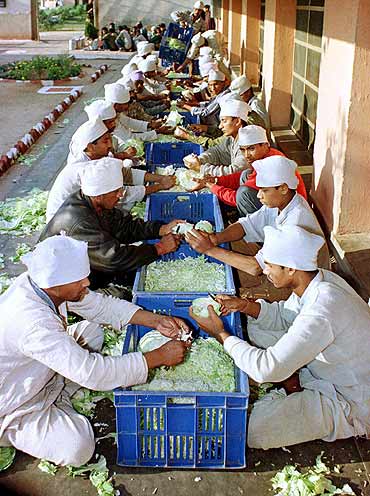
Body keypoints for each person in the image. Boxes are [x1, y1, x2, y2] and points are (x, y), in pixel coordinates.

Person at [0, 234, 190, 466]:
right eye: (79, 280)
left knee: (92, 332)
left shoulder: (41, 284)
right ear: (55, 285)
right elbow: (93, 372)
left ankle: (58, 393)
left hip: (35, 369)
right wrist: (158, 357)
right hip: (15, 402)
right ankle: (19, 426)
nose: (86, 283)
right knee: (78, 448)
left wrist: (156, 321)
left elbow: (100, 307)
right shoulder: (32, 322)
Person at [190, 224, 370, 449]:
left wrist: (221, 334)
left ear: (291, 269)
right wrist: (245, 306)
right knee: (255, 330)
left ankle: (291, 387)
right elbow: (285, 316)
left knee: (253, 431)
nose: (265, 271)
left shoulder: (322, 308)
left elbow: (267, 368)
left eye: (271, 266)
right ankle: (292, 381)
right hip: (328, 369)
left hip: (351, 398)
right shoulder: (318, 280)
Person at [40, 159, 184, 290]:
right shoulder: (80, 221)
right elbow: (112, 259)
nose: (121, 195)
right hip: (62, 287)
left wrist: (161, 229)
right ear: (98, 195)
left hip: (87, 268)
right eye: (116, 191)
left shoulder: (94, 203)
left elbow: (124, 227)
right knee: (123, 295)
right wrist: (159, 248)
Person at [185, 155, 327, 276]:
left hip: (306, 278)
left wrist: (209, 249)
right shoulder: (281, 202)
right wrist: (216, 238)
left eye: (264, 190)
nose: (259, 196)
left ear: (283, 188)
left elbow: (256, 267)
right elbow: (246, 225)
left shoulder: (295, 223)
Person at [46, 122, 175, 221]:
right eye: (105, 141)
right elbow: (120, 194)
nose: (110, 146)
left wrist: (160, 178)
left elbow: (125, 174)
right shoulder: (84, 168)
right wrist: (160, 186)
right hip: (66, 221)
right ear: (90, 146)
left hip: (83, 212)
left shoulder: (96, 158)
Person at [193, 125, 306, 215]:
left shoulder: (270, 164)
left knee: (243, 194)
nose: (246, 155)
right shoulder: (263, 157)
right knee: (245, 174)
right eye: (242, 150)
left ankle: (259, 234)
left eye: (251, 149)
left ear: (265, 145)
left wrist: (211, 186)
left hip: (290, 213)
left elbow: (235, 198)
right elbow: (238, 178)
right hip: (280, 203)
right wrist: (216, 180)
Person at [182, 98, 250, 176]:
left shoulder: (246, 143)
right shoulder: (232, 138)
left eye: (224, 121)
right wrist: (199, 159)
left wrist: (201, 168)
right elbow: (217, 152)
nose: (220, 126)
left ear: (237, 121)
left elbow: (235, 172)